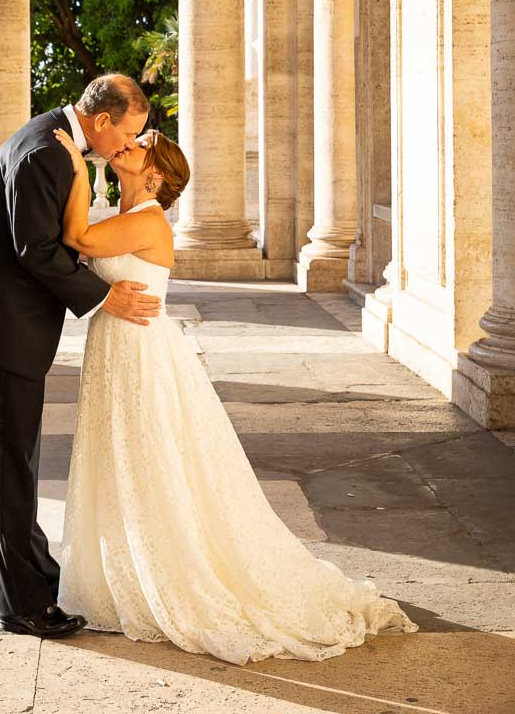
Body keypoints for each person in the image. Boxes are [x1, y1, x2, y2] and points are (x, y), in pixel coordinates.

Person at [52, 125, 419, 665]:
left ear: (154, 174)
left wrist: (80, 170)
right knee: (122, 457)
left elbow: (79, 241)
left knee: (148, 459)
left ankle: (168, 571)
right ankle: (126, 570)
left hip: (139, 354)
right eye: (129, 142)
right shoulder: (127, 219)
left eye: (140, 147)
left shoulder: (147, 221)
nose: (126, 146)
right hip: (118, 348)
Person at [0, 74, 162, 640]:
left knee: (14, 463)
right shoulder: (45, 154)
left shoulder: (55, 142)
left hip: (4, 320)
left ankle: (33, 585)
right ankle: (25, 605)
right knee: (9, 468)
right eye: (126, 134)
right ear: (101, 122)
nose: (127, 146)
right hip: (1, 325)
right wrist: (104, 296)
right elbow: (37, 250)